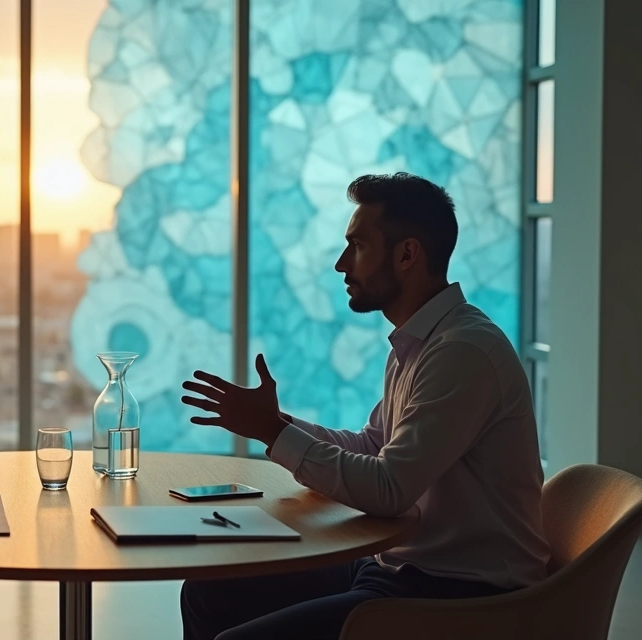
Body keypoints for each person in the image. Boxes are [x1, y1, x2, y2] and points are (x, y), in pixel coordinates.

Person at [179, 173, 550, 640]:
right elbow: (373, 446)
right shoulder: (420, 343)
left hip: (459, 594)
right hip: (395, 568)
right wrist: (274, 423)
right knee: (208, 590)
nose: (340, 264)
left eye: (357, 246)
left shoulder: (463, 352)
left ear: (407, 254)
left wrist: (274, 433)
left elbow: (389, 488)